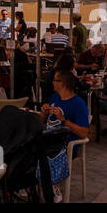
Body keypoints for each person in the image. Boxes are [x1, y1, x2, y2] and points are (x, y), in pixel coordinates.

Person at [41, 70, 90, 199]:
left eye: (55, 80)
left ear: (62, 84)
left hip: (66, 144)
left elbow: (84, 132)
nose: (52, 82)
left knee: (44, 152)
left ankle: (51, 187)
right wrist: (44, 112)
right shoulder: (54, 98)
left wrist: (64, 120)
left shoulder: (78, 104)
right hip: (48, 138)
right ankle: (38, 184)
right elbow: (43, 122)